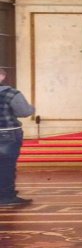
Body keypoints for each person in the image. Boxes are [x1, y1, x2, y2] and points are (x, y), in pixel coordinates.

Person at [0, 68, 35, 206]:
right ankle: (6, 196)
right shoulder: (11, 93)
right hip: (8, 134)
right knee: (6, 166)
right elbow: (24, 112)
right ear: (2, 76)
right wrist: (31, 108)